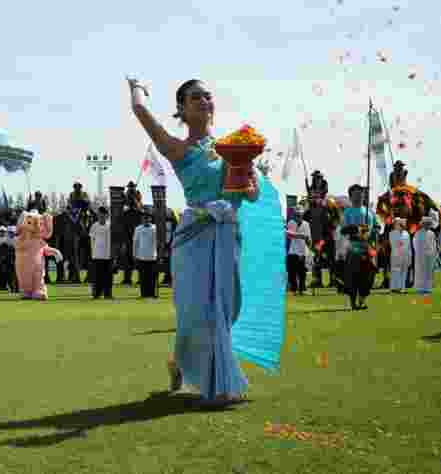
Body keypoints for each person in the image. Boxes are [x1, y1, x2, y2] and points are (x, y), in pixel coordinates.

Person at [128, 76, 284, 404]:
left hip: (227, 233)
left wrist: (247, 177)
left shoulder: (232, 148)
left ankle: (179, 362)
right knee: (198, 309)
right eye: (195, 97)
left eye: (207, 96)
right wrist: (137, 87)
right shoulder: (177, 147)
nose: (204, 101)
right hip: (193, 234)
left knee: (228, 307)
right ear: (182, 110)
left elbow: (253, 195)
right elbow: (140, 110)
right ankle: (218, 386)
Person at [341, 225, 375, 310]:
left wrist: (369, 254)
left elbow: (371, 252)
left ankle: (361, 302)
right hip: (353, 267)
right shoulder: (349, 242)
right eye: (359, 231)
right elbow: (345, 253)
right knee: (353, 286)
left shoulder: (364, 241)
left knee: (363, 285)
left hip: (363, 267)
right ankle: (353, 304)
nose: (360, 233)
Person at [89, 206, 113, 299]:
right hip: (97, 255)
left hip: (108, 255)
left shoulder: (110, 226)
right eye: (100, 214)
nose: (101, 216)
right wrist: (92, 253)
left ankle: (108, 294)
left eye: (103, 214)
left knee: (108, 276)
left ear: (107, 215)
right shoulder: (94, 226)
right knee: (97, 276)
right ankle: (97, 293)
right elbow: (92, 240)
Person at [285, 207, 311, 296]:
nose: (297, 217)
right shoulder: (291, 223)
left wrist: (309, 243)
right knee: (291, 272)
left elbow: (308, 238)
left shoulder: (306, 224)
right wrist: (301, 236)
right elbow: (289, 234)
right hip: (292, 251)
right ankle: (294, 289)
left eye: (299, 215)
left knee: (302, 272)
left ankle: (302, 289)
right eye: (296, 215)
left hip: (302, 251)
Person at [133, 214, 158, 298]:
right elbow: (135, 242)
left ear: (150, 219)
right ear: (142, 219)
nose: (146, 220)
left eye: (147, 218)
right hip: (141, 256)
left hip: (152, 256)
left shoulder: (155, 228)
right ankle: (143, 294)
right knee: (143, 277)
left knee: (152, 277)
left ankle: (152, 294)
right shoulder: (138, 228)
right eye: (144, 218)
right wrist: (134, 254)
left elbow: (158, 242)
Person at [412, 216, 438, 295]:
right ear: (423, 224)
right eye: (426, 224)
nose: (427, 225)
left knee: (428, 272)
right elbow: (415, 244)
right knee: (420, 272)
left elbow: (434, 245)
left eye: (428, 224)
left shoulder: (432, 233)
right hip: (420, 255)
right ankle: (420, 288)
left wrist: (433, 253)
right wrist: (419, 253)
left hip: (429, 256)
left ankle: (428, 288)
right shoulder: (418, 233)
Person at [388, 219, 411, 293]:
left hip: (405, 255)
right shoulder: (392, 233)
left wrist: (409, 255)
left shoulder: (406, 233)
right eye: (399, 224)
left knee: (404, 272)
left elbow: (408, 245)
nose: (401, 226)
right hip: (396, 255)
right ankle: (395, 287)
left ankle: (402, 288)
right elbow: (394, 244)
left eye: (402, 225)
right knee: (395, 271)